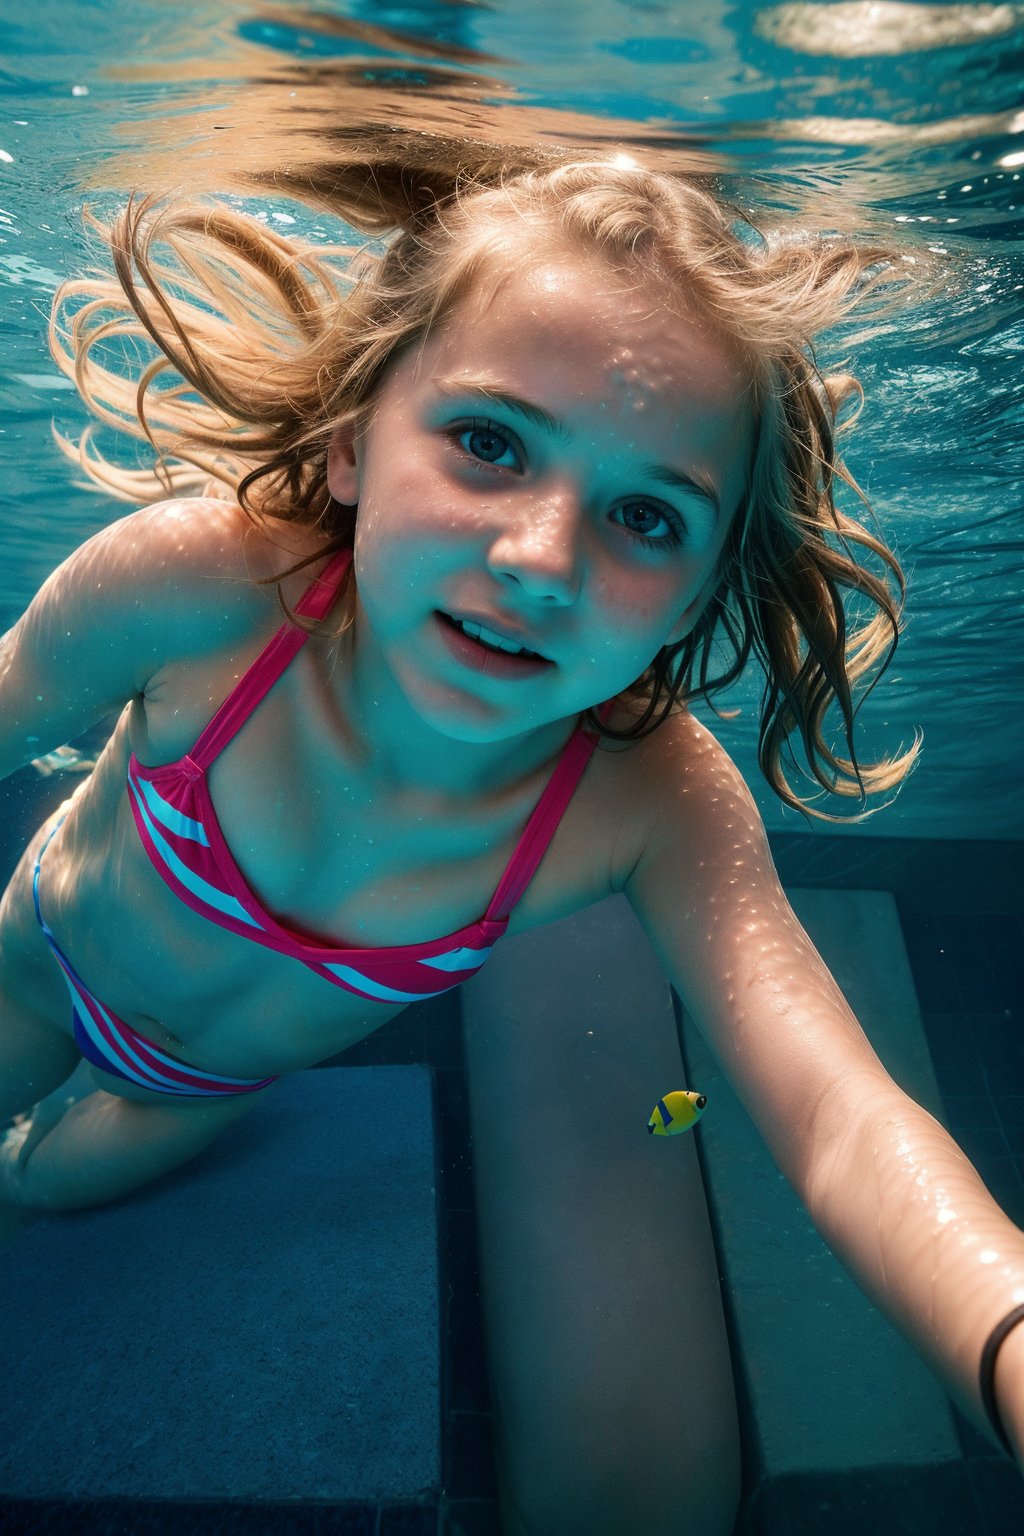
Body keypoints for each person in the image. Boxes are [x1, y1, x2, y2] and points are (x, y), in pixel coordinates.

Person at [0, 147, 1021, 1534]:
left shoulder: (647, 805)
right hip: (36, 970)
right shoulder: (206, 589)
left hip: (201, 1089)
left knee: (39, 1196)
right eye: (488, 441)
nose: (543, 556)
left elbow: (842, 1119)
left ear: (689, 603)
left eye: (646, 517)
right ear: (357, 438)